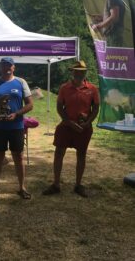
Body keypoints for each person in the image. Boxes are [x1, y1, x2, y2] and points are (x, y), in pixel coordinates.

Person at [42, 61, 99, 198]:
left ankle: (78, 185)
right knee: (59, 153)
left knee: (81, 155)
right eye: (76, 71)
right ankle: (56, 184)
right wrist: (68, 122)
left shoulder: (92, 89)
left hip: (83, 128)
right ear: (72, 72)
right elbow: (59, 107)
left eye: (82, 71)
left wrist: (87, 123)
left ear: (85, 72)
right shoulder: (64, 88)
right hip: (66, 126)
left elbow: (95, 108)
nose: (79, 73)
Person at [0, 57, 33, 199]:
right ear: (0, 67)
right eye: (4, 65)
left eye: (9, 65)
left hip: (16, 126)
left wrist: (17, 114)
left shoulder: (21, 82)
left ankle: (22, 187)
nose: (7, 68)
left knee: (19, 157)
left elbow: (30, 104)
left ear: (14, 67)